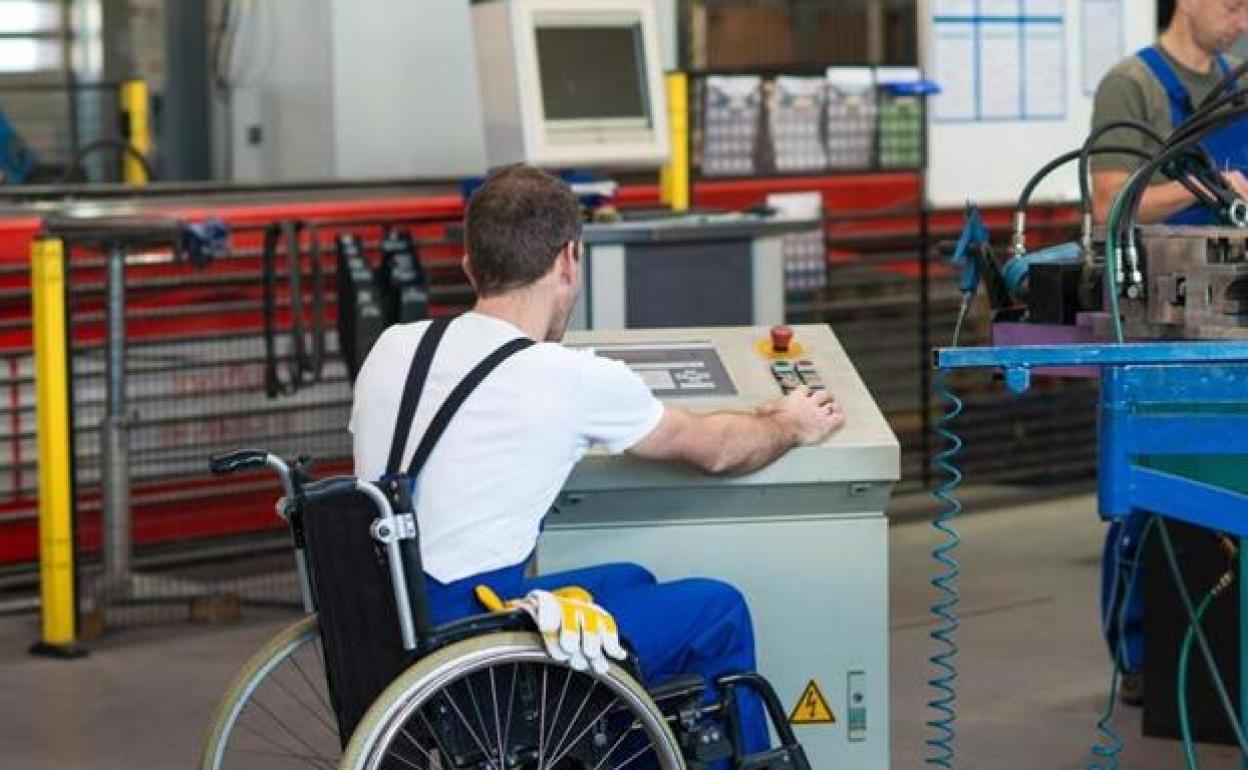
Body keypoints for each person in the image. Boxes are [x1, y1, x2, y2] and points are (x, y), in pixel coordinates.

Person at [349, 164, 845, 756]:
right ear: (568, 260)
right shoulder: (569, 377)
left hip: (385, 628)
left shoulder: (393, 348)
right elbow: (714, 451)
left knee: (629, 582)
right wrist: (789, 422)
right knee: (717, 611)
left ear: (470, 266)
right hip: (475, 650)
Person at [1089, 0, 1248, 702]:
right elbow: (1106, 200)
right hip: (1158, 317)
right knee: (1151, 488)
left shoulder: (1239, 81)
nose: (1242, 20)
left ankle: (1222, 647)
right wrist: (1204, 183)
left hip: (1232, 309)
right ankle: (1140, 653)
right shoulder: (1134, 85)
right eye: (1233, 4)